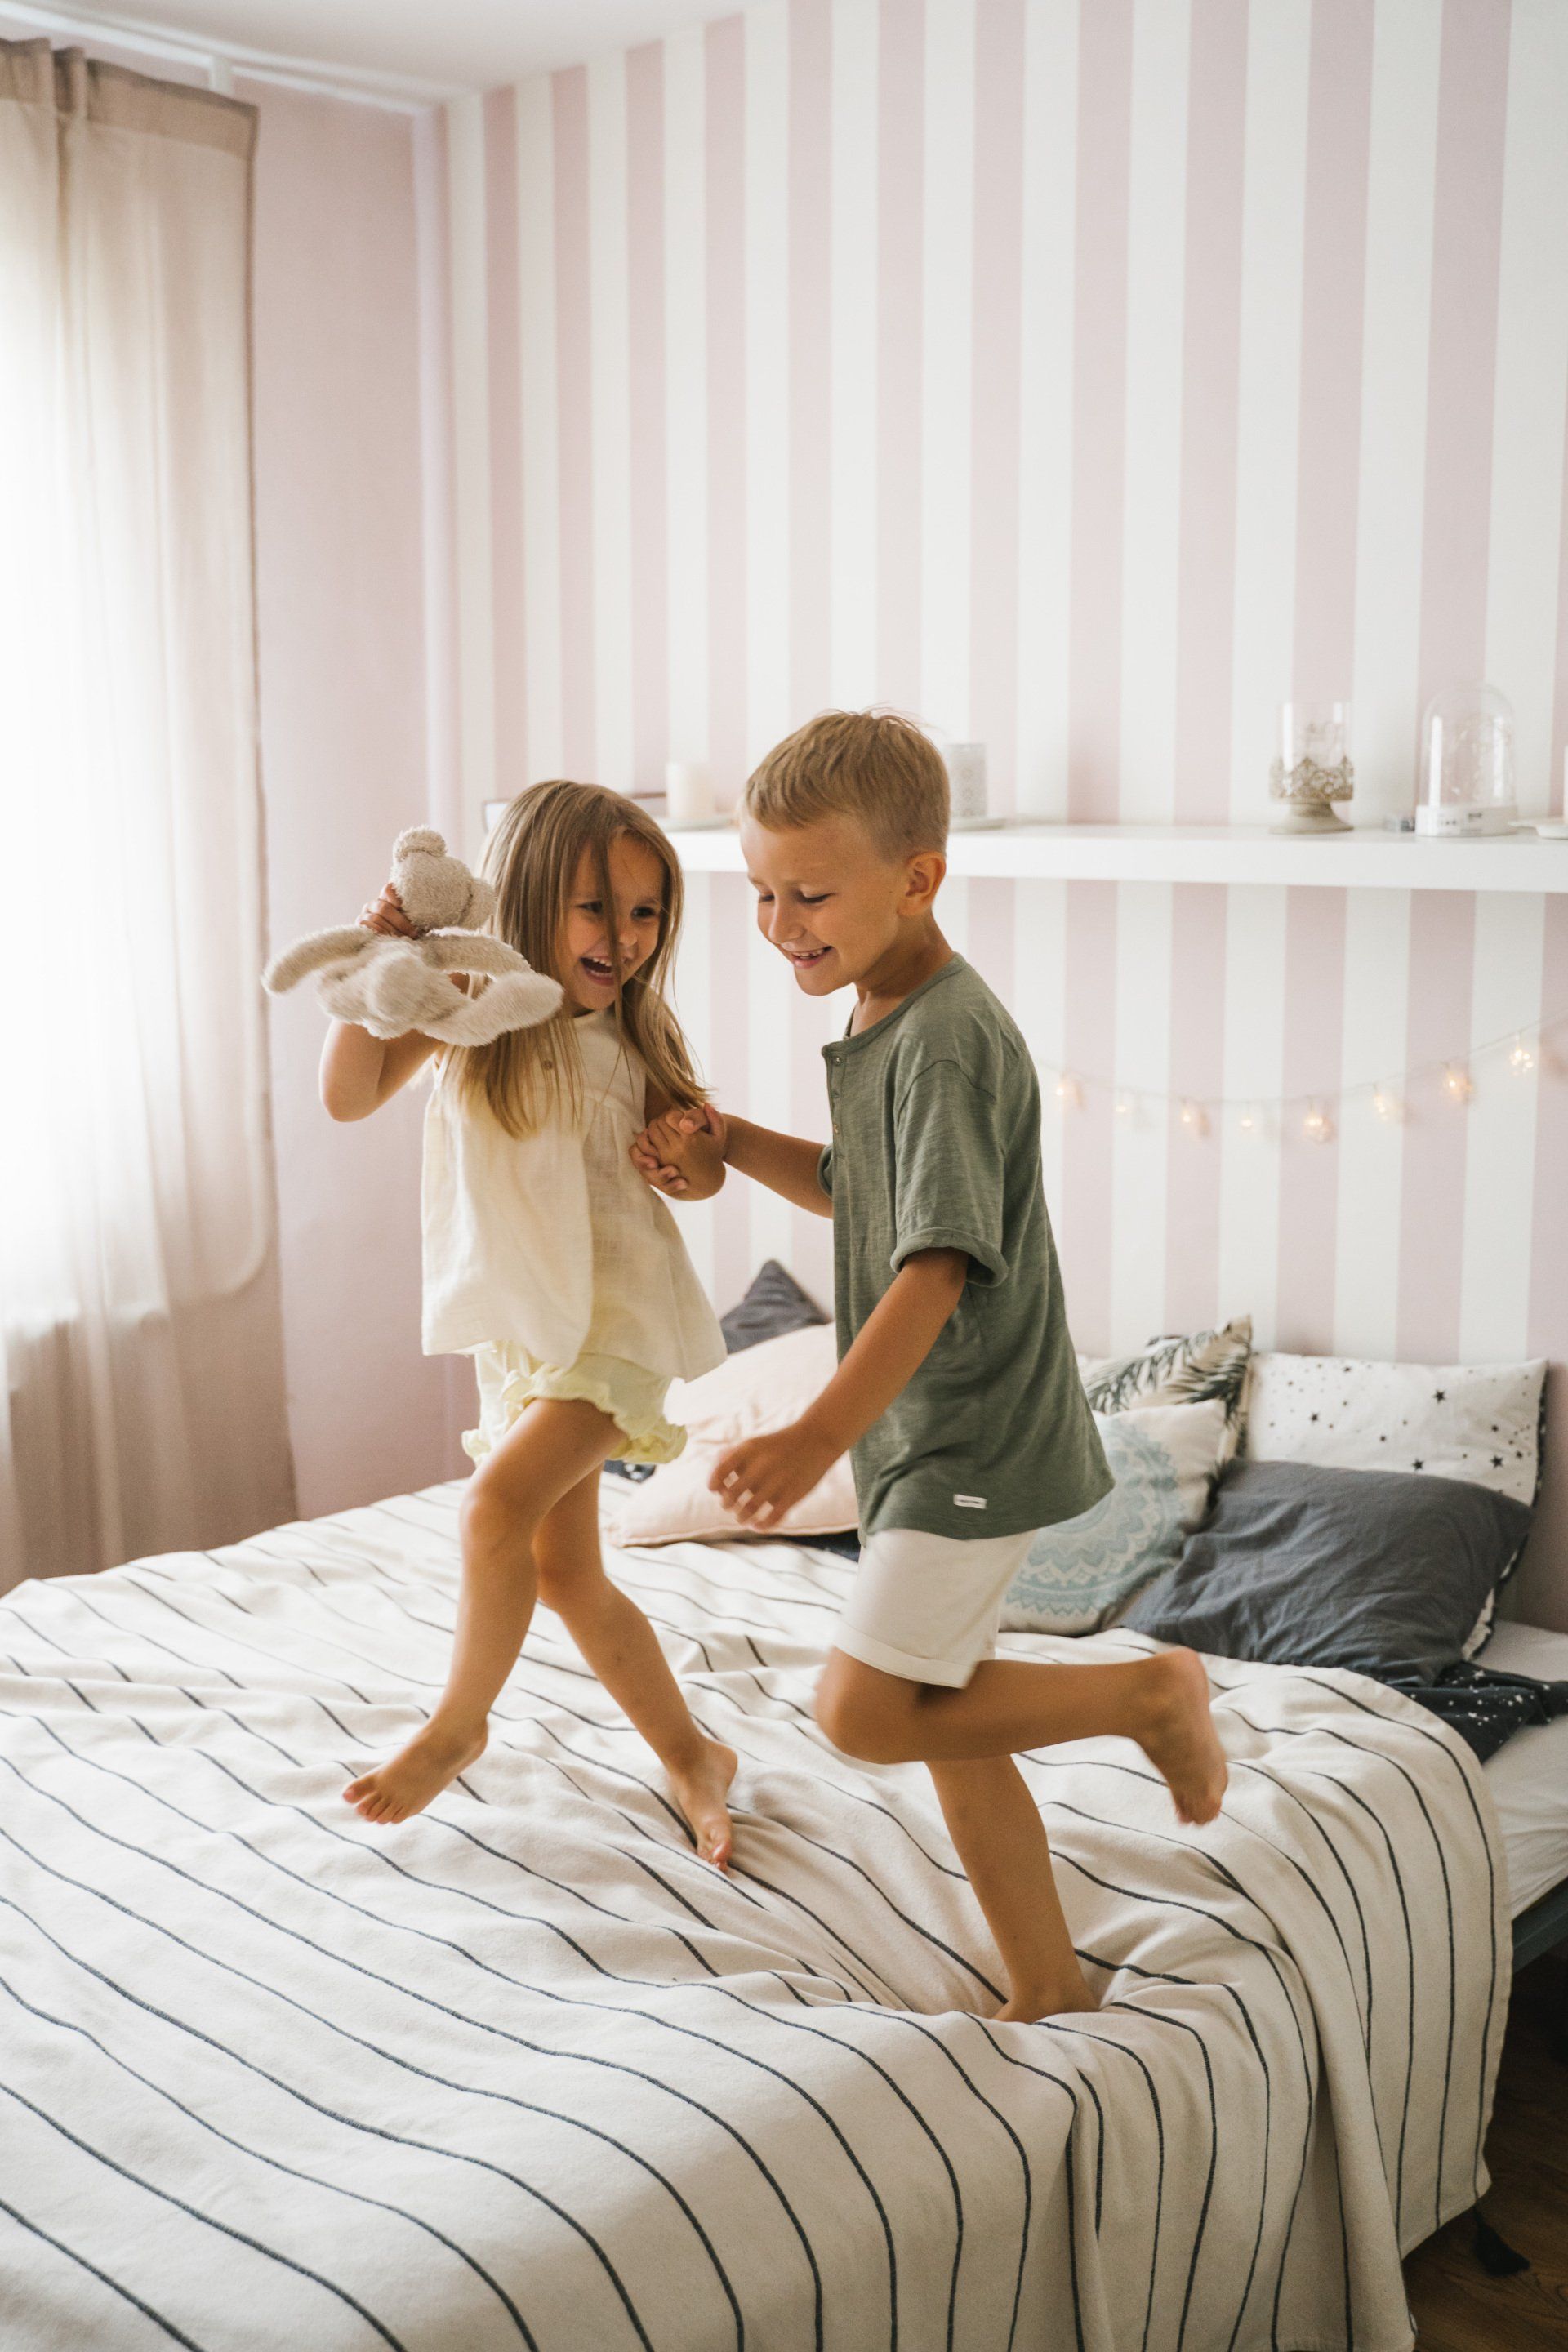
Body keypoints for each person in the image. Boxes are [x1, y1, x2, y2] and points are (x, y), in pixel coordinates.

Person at [633, 710, 1227, 2016]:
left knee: (863, 1713)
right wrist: (731, 1141)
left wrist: (816, 1434)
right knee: (951, 1719)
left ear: (918, 878)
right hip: (935, 1438)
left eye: (812, 892)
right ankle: (1048, 1987)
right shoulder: (887, 1010)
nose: (783, 922)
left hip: (965, 1436)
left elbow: (932, 1267)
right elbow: (870, 1193)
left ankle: (1149, 1689)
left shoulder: (948, 1036)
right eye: (763, 894)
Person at [321, 781, 737, 1862]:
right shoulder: (470, 1008)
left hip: (618, 1321)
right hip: (527, 1334)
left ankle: (460, 1723)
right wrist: (380, 959)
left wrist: (684, 1161)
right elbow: (349, 1091)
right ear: (535, 895)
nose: (628, 938)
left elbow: (698, 1171)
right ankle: (695, 1755)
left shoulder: (637, 1037)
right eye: (600, 908)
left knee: (492, 1510)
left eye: (648, 913)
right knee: (565, 1572)